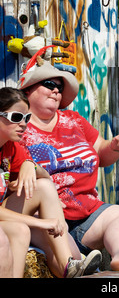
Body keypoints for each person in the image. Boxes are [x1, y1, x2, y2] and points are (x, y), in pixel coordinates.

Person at [19, 57, 119, 272]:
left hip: (87, 213)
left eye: (59, 86)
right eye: (49, 84)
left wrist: (116, 146)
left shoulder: (74, 120)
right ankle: (72, 259)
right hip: (47, 216)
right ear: (28, 90)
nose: (56, 90)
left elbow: (101, 154)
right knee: (72, 256)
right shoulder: (18, 127)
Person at [0, 87, 102, 278]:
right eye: (16, 117)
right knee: (22, 230)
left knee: (44, 189)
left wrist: (30, 165)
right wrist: (42, 223)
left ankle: (69, 265)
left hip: (6, 213)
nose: (23, 124)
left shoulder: (11, 147)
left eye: (26, 118)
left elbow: (46, 180)